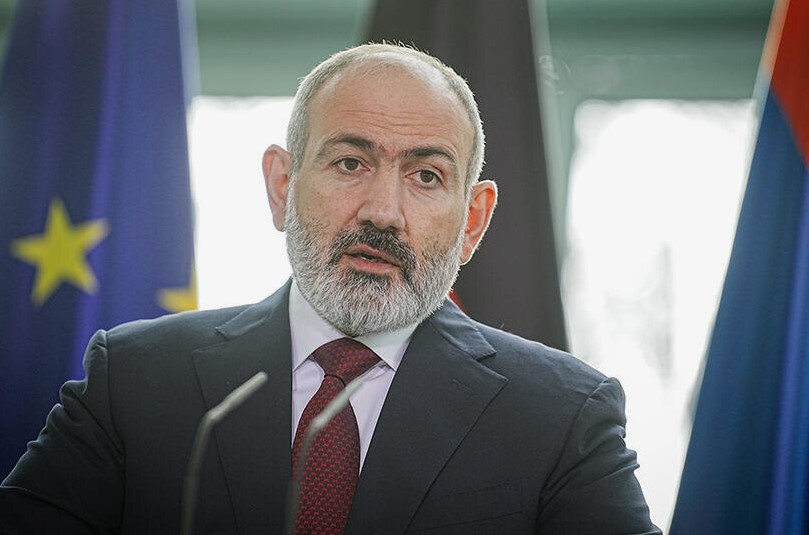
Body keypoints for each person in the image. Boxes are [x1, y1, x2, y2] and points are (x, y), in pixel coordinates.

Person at [0, 43, 660, 534]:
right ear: (281, 186)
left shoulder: (561, 416)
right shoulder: (135, 379)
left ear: (473, 221)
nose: (383, 211)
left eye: (426, 176)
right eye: (349, 163)